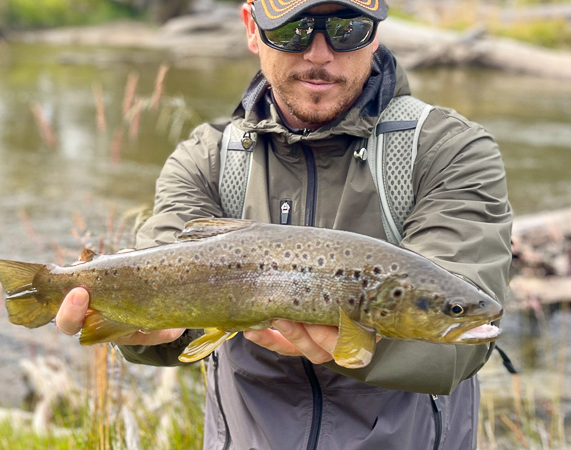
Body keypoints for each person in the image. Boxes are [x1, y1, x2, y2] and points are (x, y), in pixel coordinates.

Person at [56, 0, 513, 448]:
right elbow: (167, 314)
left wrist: (356, 344)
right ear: (252, 29)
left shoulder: (450, 150)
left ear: (375, 34)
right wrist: (136, 330)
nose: (319, 54)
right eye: (292, 30)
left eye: (346, 29)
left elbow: (459, 340)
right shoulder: (206, 159)